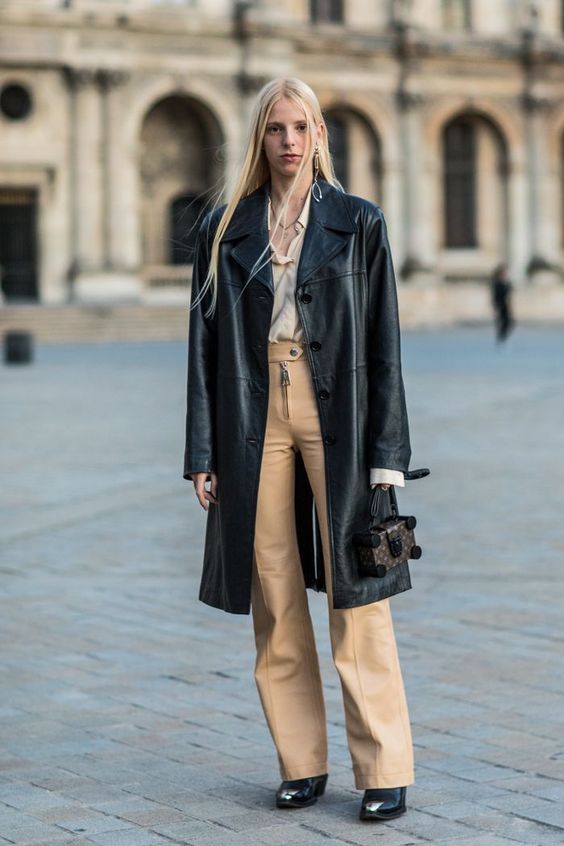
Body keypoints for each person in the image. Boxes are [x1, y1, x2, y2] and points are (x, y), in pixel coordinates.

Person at [184, 77, 414, 822]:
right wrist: (203, 452)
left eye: (301, 126)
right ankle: (301, 762)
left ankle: (384, 767)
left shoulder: (358, 221)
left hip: (337, 405)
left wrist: (388, 452)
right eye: (276, 128)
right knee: (273, 588)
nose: (289, 141)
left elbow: (383, 342)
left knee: (359, 584)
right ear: (260, 137)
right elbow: (203, 346)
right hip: (253, 411)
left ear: (320, 134)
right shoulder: (224, 227)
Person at [491, 263, 515, 343]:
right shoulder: (497, 283)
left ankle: (502, 336)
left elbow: (508, 291)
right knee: (504, 321)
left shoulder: (501, 283)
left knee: (508, 321)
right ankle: (501, 337)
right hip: (501, 304)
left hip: (504, 304)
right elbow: (498, 294)